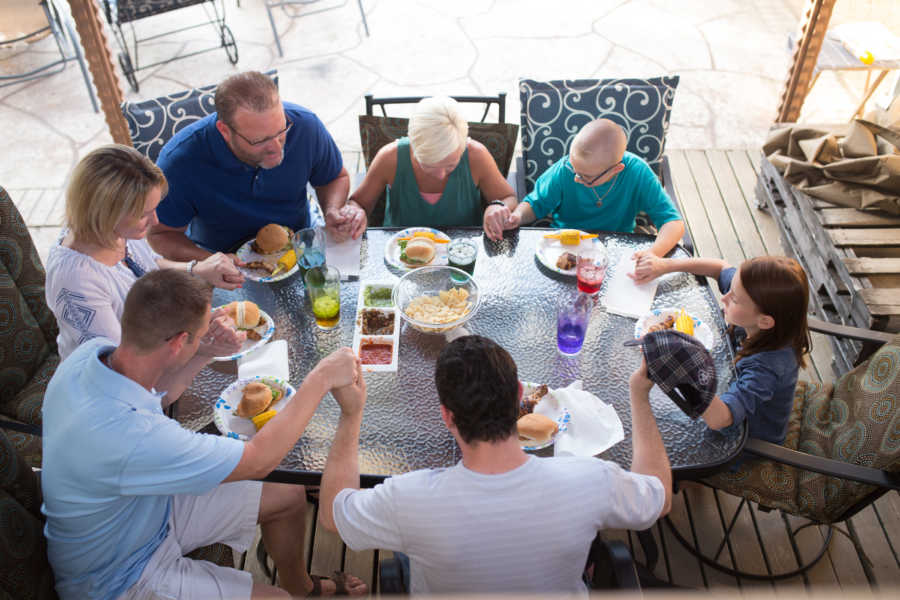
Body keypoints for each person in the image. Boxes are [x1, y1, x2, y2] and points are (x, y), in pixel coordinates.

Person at [41, 269, 368, 599]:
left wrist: (204, 350)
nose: (200, 340)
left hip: (140, 510)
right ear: (178, 341)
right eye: (196, 336)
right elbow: (257, 462)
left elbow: (159, 394)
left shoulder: (91, 353)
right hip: (117, 576)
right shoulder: (137, 437)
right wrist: (321, 378)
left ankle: (302, 587)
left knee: (286, 494)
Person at [319, 335, 672, 594]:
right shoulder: (591, 479)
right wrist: (640, 395)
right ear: (520, 395)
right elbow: (660, 497)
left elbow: (333, 517)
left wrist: (351, 414)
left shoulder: (407, 499)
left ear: (447, 417)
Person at [46, 144, 244, 362]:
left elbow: (148, 266)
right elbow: (120, 367)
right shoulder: (77, 282)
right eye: (144, 214)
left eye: (154, 208)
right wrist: (196, 342)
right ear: (104, 213)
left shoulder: (113, 232)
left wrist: (196, 269)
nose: (155, 222)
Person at [149, 70, 358, 258]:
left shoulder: (305, 125)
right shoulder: (179, 160)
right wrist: (209, 260)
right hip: (219, 254)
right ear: (224, 131)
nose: (276, 148)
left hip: (298, 244)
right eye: (259, 141)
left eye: (281, 132)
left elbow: (334, 177)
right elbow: (161, 234)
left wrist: (332, 209)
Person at [631, 254, 811, 444]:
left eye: (734, 299)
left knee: (658, 430)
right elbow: (719, 267)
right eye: (730, 289)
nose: (724, 298)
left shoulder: (766, 367)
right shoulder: (752, 300)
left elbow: (720, 420)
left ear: (765, 321)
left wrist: (685, 364)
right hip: (726, 382)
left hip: (747, 441)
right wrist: (664, 265)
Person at [505, 118, 685, 258]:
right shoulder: (565, 169)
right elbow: (536, 204)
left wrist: (653, 254)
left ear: (617, 169)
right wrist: (518, 216)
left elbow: (673, 223)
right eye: (575, 170)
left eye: (586, 177)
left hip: (615, 248)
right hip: (563, 246)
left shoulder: (638, 172)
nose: (576, 178)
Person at [348, 96, 518, 241]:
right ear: (412, 144)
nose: (440, 175)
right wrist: (355, 214)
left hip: (461, 252)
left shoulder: (476, 155)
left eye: (451, 166)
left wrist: (496, 206)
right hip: (401, 251)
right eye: (428, 164)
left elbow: (508, 197)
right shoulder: (389, 157)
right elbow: (358, 203)